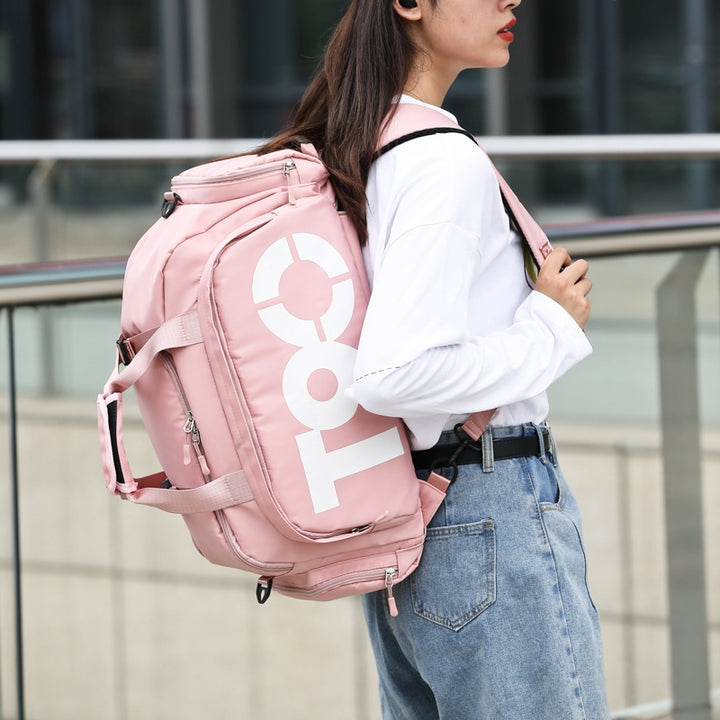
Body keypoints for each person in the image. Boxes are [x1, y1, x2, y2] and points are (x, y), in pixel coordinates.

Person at [262, 1, 610, 717]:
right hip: (487, 507)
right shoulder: (440, 161)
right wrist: (548, 327)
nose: (512, 0)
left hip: (417, 517)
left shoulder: (361, 149)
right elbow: (394, 374)